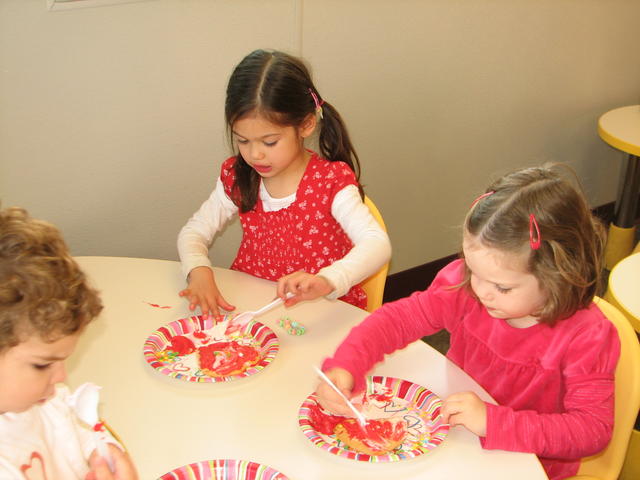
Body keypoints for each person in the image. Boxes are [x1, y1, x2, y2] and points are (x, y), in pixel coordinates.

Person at [315, 165, 620, 480]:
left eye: (502, 287)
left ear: (558, 274)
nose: (481, 291)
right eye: (474, 271)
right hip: (456, 437)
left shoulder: (587, 335)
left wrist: (493, 422)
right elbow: (397, 320)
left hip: (529, 465)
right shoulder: (464, 287)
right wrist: (347, 364)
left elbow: (591, 431)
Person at [177, 49, 391, 318]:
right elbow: (193, 233)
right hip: (257, 308)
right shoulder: (240, 177)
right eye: (243, 140)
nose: (255, 154)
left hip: (322, 311)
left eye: (269, 142)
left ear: (306, 125)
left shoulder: (329, 183)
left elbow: (377, 245)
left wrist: (327, 280)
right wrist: (198, 270)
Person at [0, 206, 138, 480]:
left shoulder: (42, 397)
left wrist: (104, 450)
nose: (62, 377)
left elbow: (77, 424)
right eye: (42, 365)